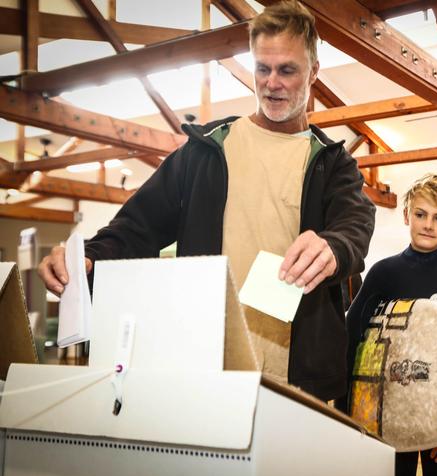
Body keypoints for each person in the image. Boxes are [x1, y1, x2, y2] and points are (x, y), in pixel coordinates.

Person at [37, 0, 375, 403]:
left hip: (298, 377)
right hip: (206, 363)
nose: (272, 83)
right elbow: (137, 228)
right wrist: (87, 258)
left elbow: (355, 225)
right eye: (262, 69)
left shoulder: (332, 162)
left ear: (314, 72)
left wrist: (333, 246)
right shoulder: (206, 149)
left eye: (287, 70)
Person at [345, 173, 437, 476]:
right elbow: (353, 338)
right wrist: (351, 413)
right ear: (406, 215)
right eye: (420, 214)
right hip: (386, 411)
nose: (428, 225)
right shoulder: (383, 272)